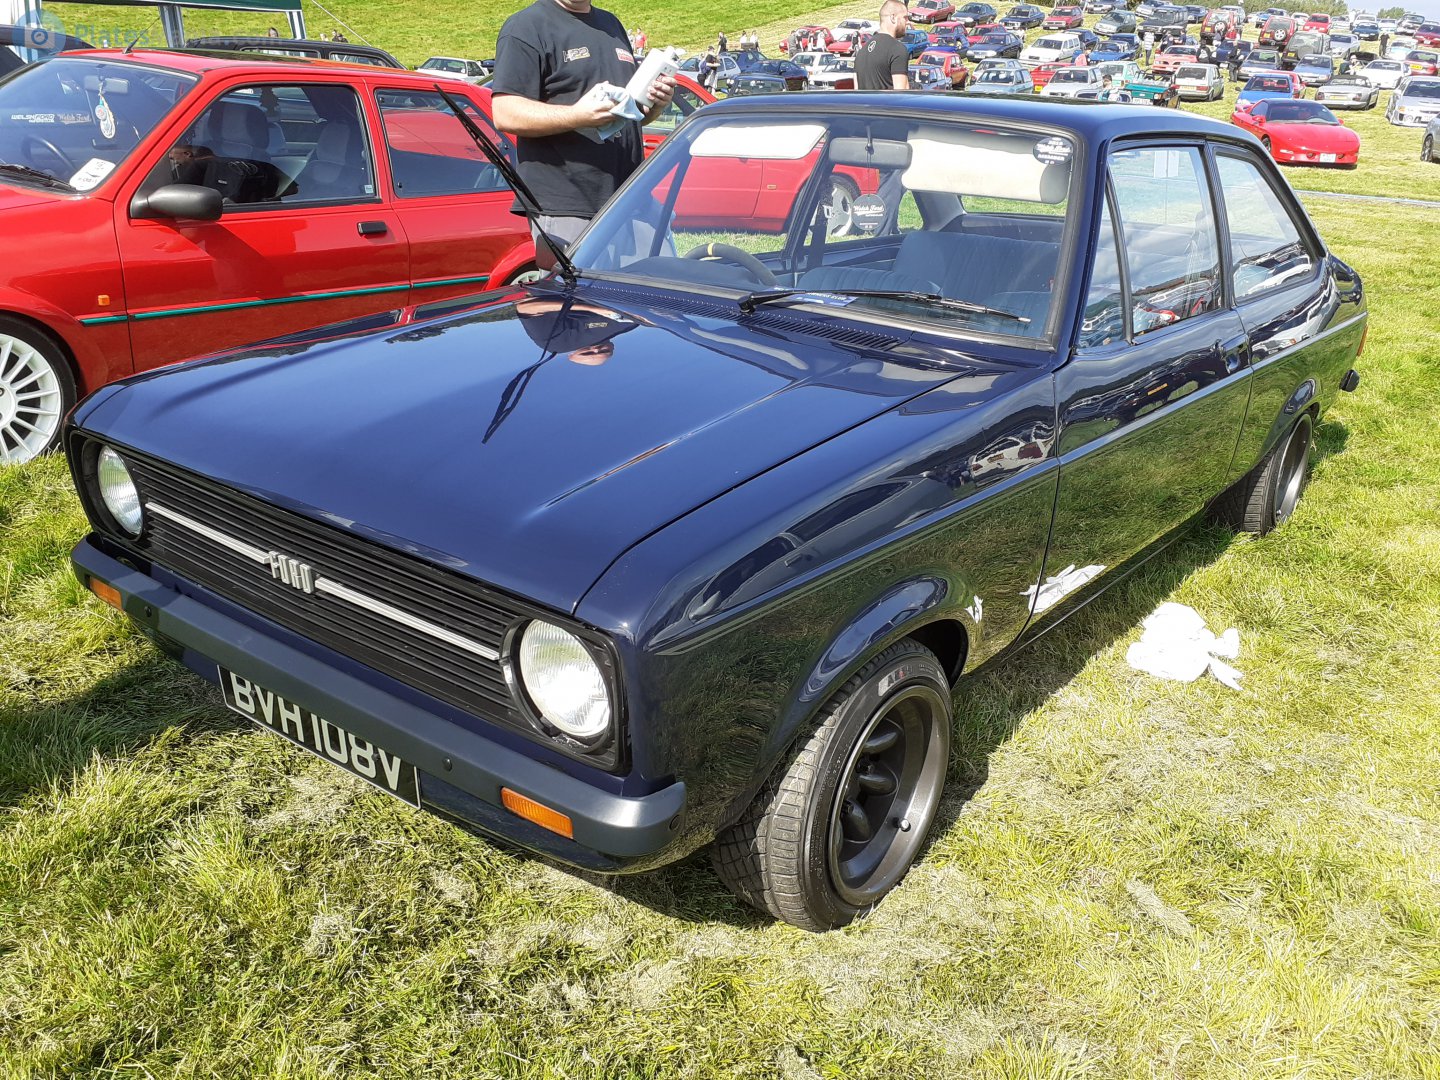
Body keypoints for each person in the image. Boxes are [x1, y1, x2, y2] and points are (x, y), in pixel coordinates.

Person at [489, 0, 675, 270]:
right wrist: (577, 115)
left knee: (651, 300)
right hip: (569, 207)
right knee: (581, 308)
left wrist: (656, 104)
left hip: (629, 200)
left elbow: (631, 114)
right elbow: (504, 113)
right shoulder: (526, 27)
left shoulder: (611, 25)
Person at [857, 0, 911, 89]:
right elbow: (902, 95)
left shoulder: (861, 52)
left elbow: (856, 92)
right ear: (893, 18)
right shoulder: (897, 50)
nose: (908, 22)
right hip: (888, 103)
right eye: (905, 18)